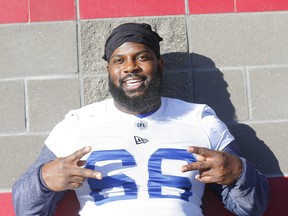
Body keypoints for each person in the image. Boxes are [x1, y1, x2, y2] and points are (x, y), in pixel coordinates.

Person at [12, 22, 269, 216]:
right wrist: (43, 181)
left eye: (142, 57)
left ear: (160, 65)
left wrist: (239, 173)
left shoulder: (200, 118)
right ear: (110, 71)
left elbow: (251, 208)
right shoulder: (78, 123)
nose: (130, 67)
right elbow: (25, 208)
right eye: (119, 60)